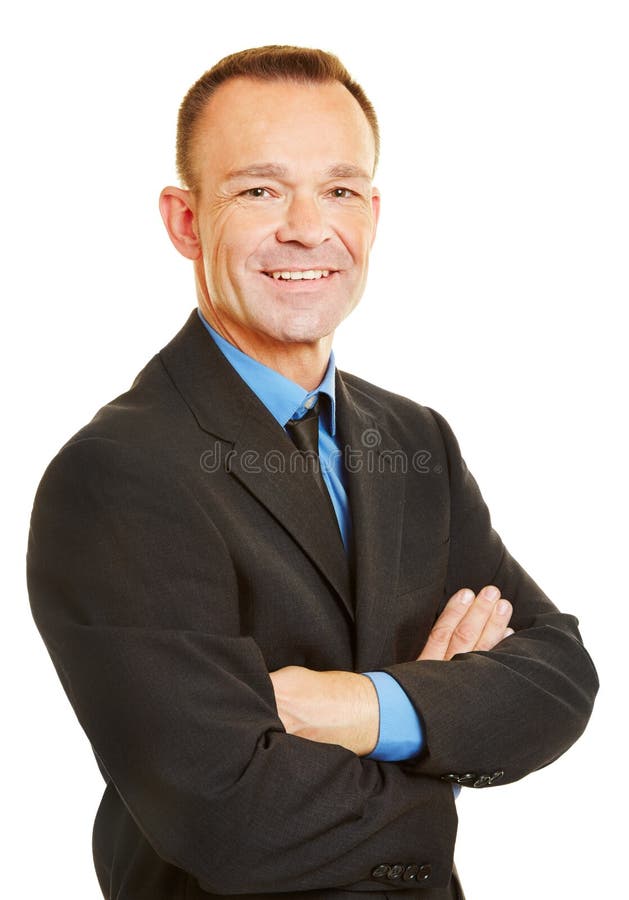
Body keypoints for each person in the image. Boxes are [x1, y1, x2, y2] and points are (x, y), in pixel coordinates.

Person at [27, 45, 598, 900]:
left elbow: (556, 677)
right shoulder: (116, 477)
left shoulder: (414, 440)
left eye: (339, 189)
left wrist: (357, 707)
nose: (307, 226)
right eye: (259, 189)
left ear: (373, 212)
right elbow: (232, 819)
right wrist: (442, 746)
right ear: (185, 221)